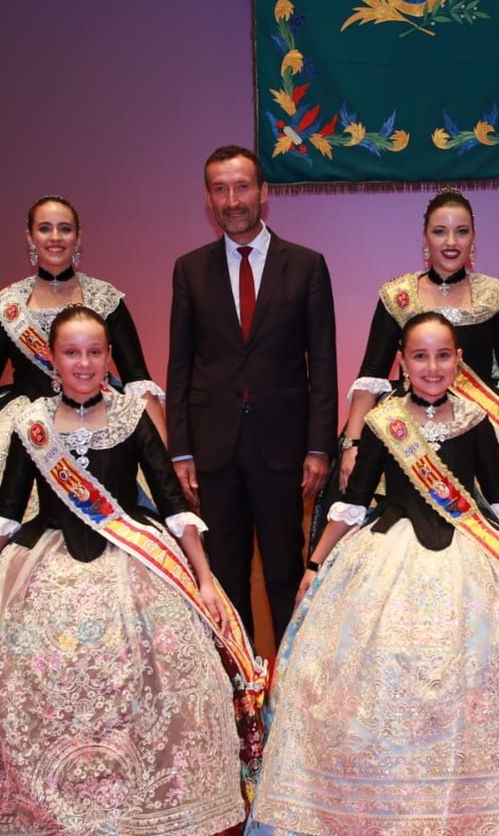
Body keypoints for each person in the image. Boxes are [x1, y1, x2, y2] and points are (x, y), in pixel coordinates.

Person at [0, 307, 263, 836]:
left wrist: (202, 579)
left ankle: (149, 827)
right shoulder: (31, 424)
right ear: (53, 359)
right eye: (72, 352)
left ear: (109, 358)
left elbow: (172, 504)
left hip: (130, 563)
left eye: (96, 352)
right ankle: (38, 834)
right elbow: (6, 510)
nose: (85, 363)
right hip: (40, 565)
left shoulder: (132, 418)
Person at [243, 312, 499, 836]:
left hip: (471, 558)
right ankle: (378, 820)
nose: (432, 367)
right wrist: (315, 563)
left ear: (459, 361)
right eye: (421, 356)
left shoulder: (477, 420)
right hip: (386, 556)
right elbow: (354, 502)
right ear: (402, 362)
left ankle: (480, 823)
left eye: (443, 356)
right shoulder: (384, 422)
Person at [0, 195, 165, 732]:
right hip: (23, 433)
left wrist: (163, 449)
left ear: (79, 236)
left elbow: (137, 378)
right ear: (29, 236)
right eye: (45, 228)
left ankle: (110, 690)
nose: (55, 237)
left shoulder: (106, 300)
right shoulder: (7, 305)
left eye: (64, 228)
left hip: (98, 432)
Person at [337, 188, 499, 650]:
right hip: (408, 429)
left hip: (485, 425)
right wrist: (353, 442)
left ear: (475, 237)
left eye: (461, 231)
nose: (451, 241)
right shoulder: (396, 296)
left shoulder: (494, 295)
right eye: (440, 231)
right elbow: (372, 376)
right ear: (425, 237)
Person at [168, 145, 337, 641]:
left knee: (285, 572)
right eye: (220, 190)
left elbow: (322, 363)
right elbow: (180, 366)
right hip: (213, 449)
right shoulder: (189, 269)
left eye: (241, 187)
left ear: (263, 192)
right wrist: (181, 449)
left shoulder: (306, 265)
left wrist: (318, 446)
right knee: (225, 575)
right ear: (208, 199)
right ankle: (238, 679)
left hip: (283, 448)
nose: (232, 200)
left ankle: (289, 679)